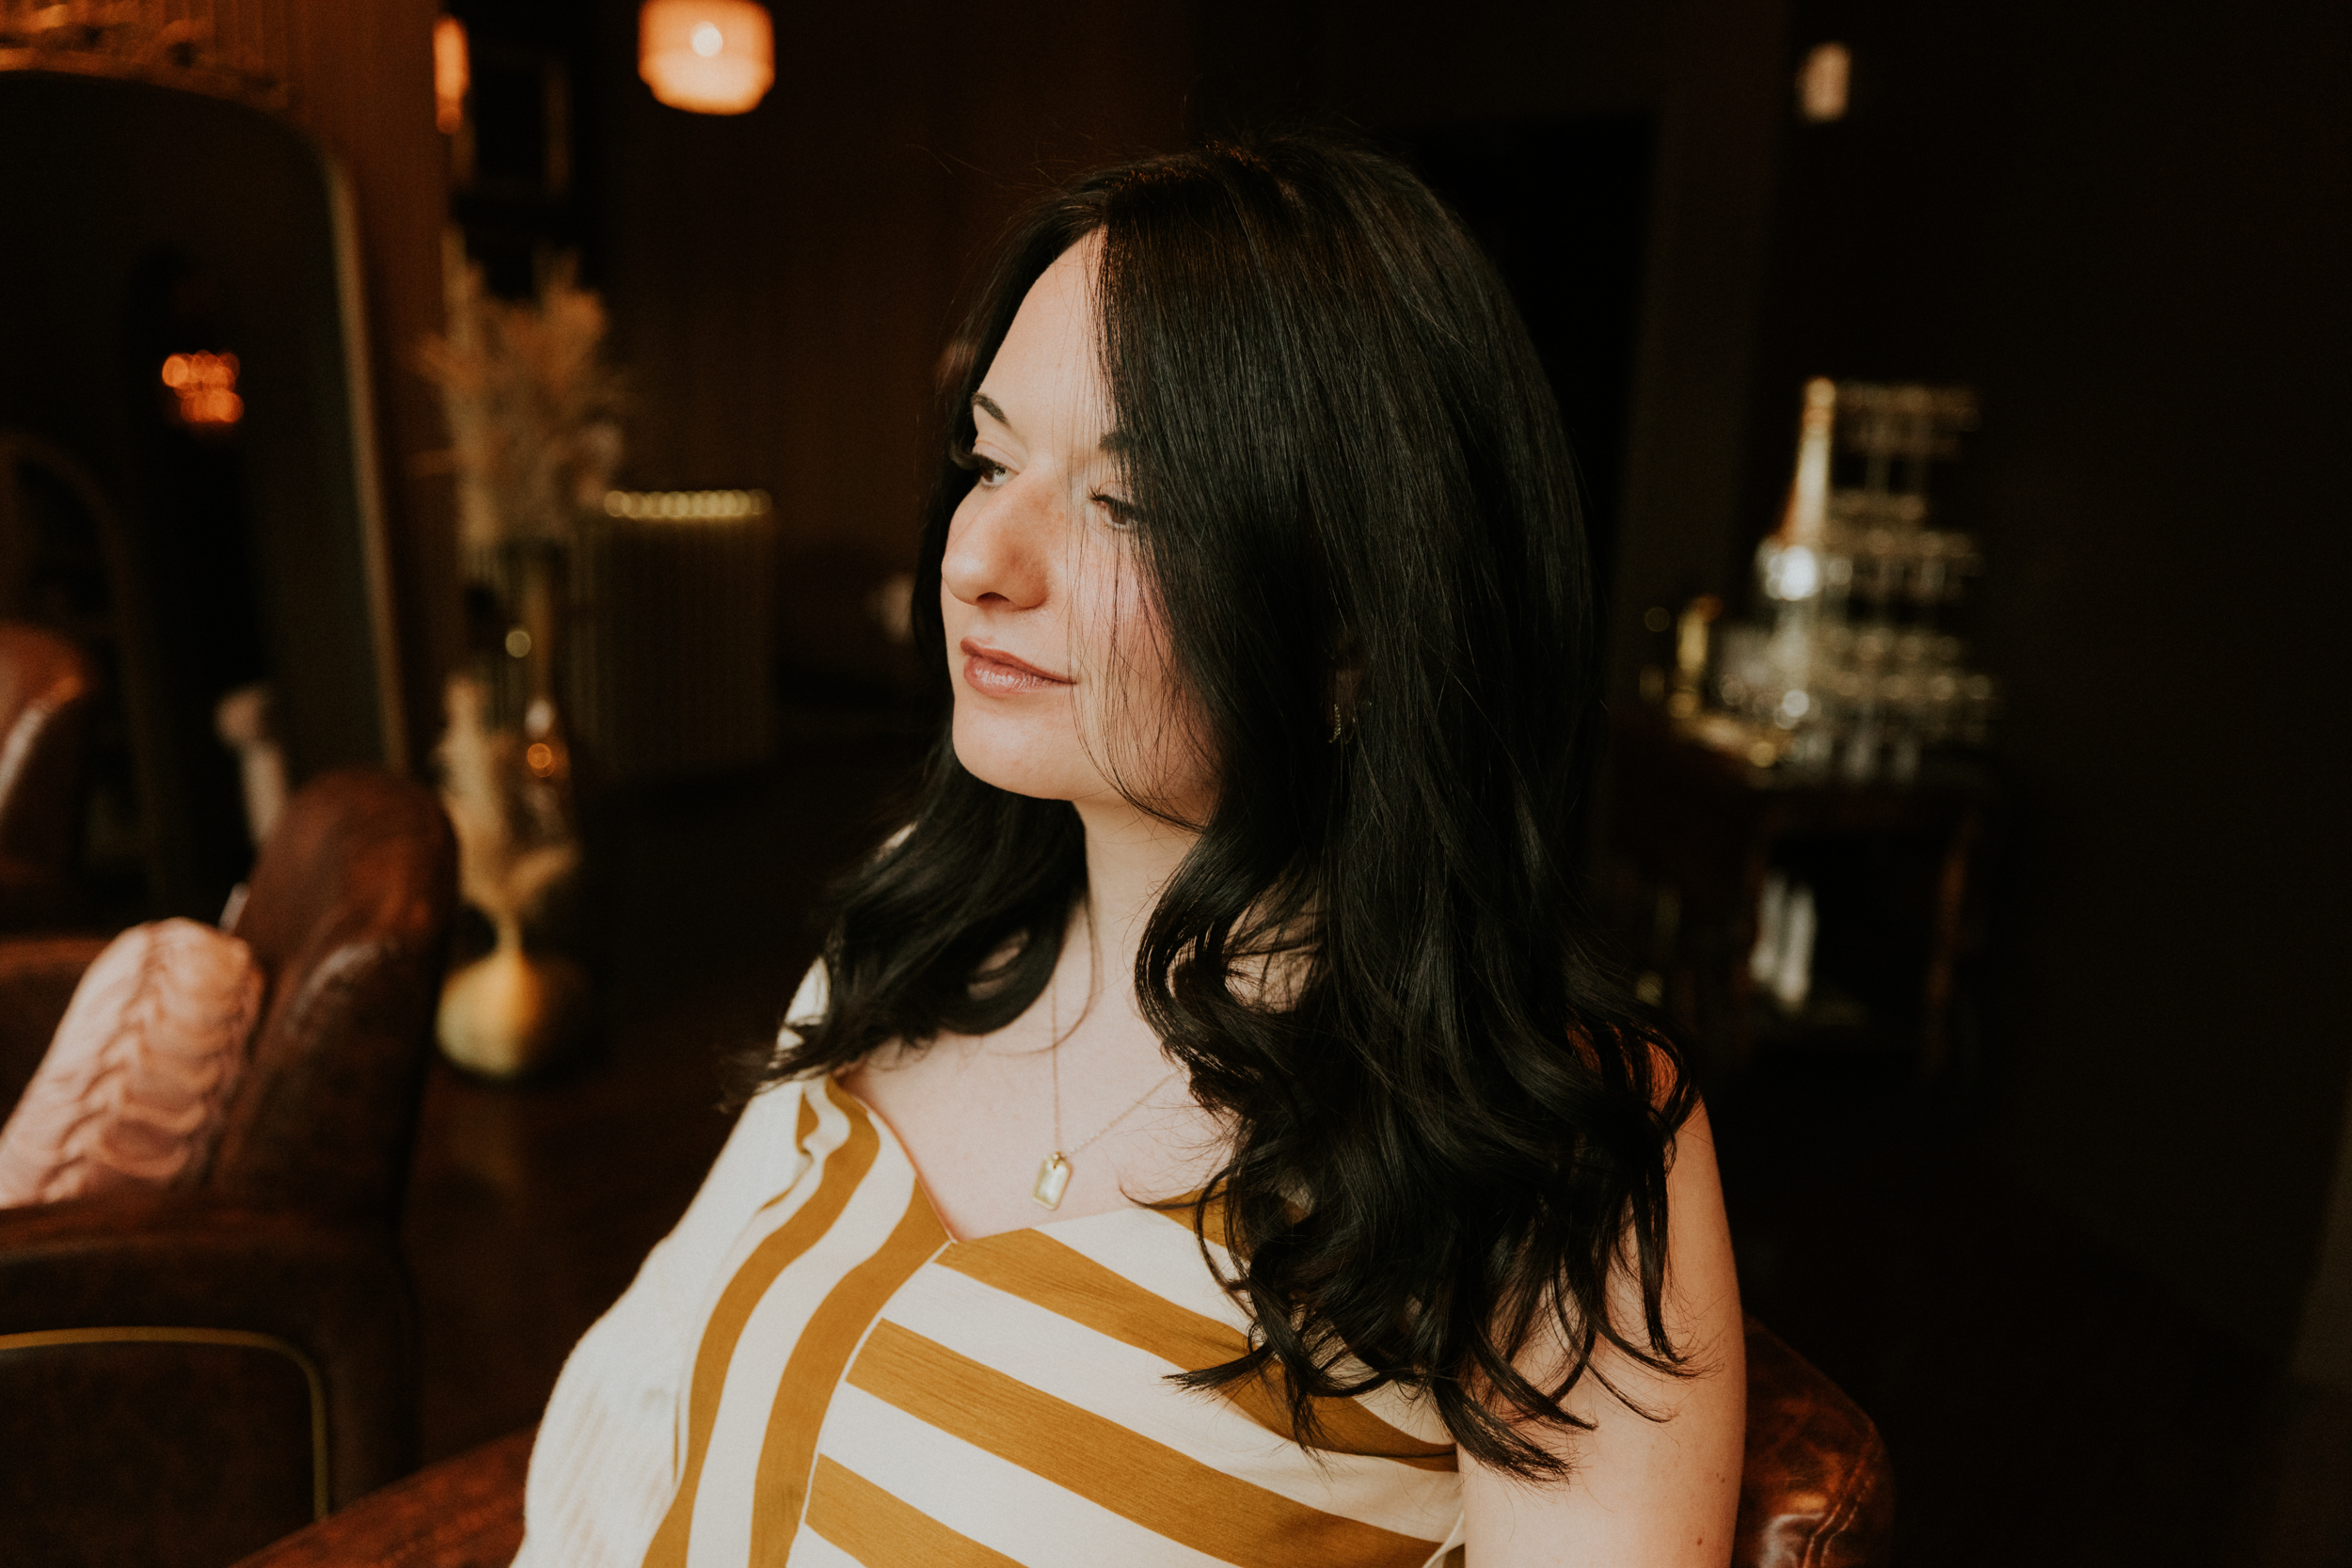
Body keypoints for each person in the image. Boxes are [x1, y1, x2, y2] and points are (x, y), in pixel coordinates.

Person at [516, 134, 1743, 1568]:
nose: (978, 559)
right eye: (989, 460)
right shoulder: (916, 939)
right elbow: (639, 1411)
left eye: (1129, 501)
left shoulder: (1541, 1156)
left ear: (1356, 633)